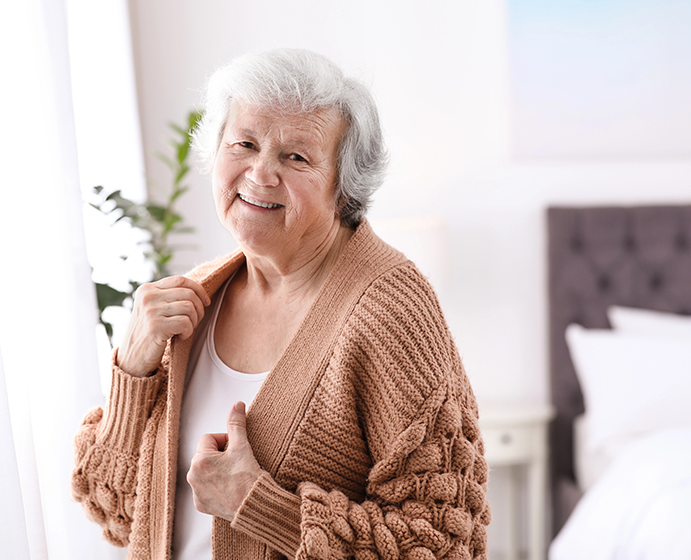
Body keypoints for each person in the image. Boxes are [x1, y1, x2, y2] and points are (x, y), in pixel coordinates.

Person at [72, 48, 490, 560]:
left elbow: (447, 542)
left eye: (296, 157)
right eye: (244, 143)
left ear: (344, 186)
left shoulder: (389, 311)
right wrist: (132, 373)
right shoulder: (190, 301)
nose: (261, 173)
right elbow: (113, 513)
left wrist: (260, 505)